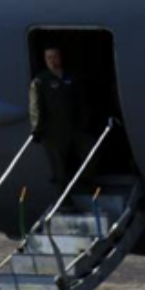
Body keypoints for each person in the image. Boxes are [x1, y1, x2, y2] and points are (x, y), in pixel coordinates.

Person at [29, 46, 91, 197]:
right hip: (53, 132)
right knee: (59, 168)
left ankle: (82, 182)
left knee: (90, 152)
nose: (52, 60)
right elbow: (35, 106)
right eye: (48, 57)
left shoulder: (71, 76)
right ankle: (64, 201)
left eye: (55, 56)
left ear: (60, 57)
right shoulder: (40, 80)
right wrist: (36, 128)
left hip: (74, 127)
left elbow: (82, 101)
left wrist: (84, 121)